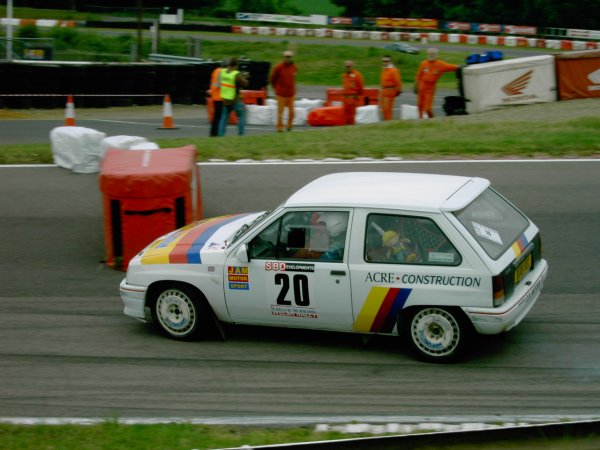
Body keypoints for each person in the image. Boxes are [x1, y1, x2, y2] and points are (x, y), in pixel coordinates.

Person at [415, 47, 459, 119]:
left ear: (436, 55)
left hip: (430, 88)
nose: (431, 55)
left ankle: (432, 119)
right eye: (430, 54)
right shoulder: (423, 63)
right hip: (422, 85)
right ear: (427, 54)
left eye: (433, 54)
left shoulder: (440, 64)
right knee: (419, 105)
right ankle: (420, 119)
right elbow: (418, 75)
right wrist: (416, 86)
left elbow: (450, 67)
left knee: (427, 108)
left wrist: (459, 67)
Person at [218, 57, 249, 136]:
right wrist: (244, 78)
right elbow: (244, 83)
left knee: (224, 118)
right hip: (235, 99)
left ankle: (221, 135)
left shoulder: (223, 72)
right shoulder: (235, 74)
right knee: (241, 115)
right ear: (235, 66)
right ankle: (241, 134)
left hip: (225, 99)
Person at [270, 50, 297, 132]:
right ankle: (280, 128)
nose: (288, 59)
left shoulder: (294, 67)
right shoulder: (278, 67)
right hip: (281, 94)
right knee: (280, 112)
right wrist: (275, 88)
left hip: (291, 93)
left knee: (292, 112)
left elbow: (293, 79)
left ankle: (289, 127)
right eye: (286, 57)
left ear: (292, 58)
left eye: (289, 57)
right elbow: (272, 79)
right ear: (283, 57)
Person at [380, 55, 402, 121]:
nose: (385, 62)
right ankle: (386, 121)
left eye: (386, 61)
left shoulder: (393, 70)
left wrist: (397, 91)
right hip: (384, 91)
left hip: (390, 91)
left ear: (390, 61)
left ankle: (389, 121)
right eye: (383, 61)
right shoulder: (384, 70)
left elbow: (398, 81)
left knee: (388, 109)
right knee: (384, 109)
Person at [341, 60, 364, 125]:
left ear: (352, 66)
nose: (347, 68)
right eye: (346, 66)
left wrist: (356, 96)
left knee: (351, 117)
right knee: (345, 116)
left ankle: (351, 127)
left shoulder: (357, 74)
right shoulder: (344, 75)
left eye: (349, 66)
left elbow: (360, 86)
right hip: (345, 99)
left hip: (352, 99)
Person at [208, 62, 224, 137]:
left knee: (216, 116)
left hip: (214, 95)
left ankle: (213, 132)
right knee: (218, 116)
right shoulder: (221, 72)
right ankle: (215, 133)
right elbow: (219, 85)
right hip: (219, 97)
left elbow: (212, 82)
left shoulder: (215, 70)